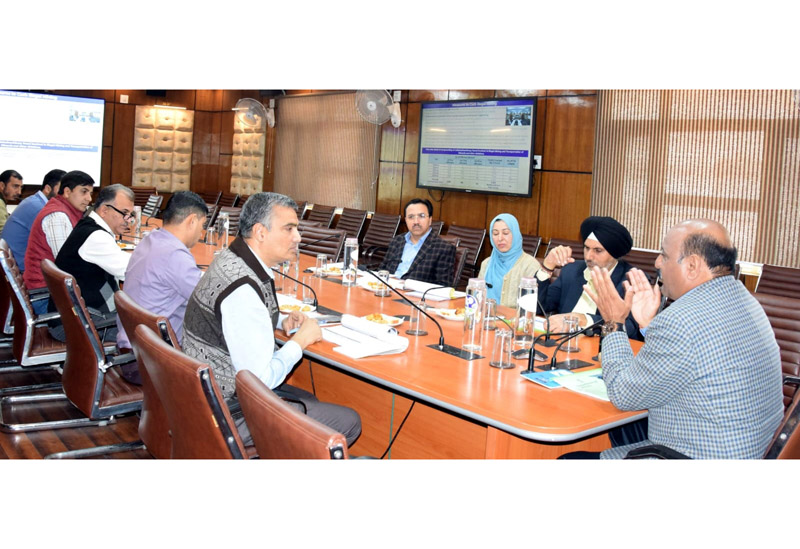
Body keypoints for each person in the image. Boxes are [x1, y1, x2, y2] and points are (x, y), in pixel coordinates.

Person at [575, 219, 784, 459]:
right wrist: (648, 325)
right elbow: (689, 358)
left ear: (692, 266)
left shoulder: (681, 319)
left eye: (664, 255)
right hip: (750, 450)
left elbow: (623, 394)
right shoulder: (746, 301)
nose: (657, 263)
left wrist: (614, 323)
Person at [182, 192, 361, 447]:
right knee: (348, 421)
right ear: (260, 232)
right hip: (228, 412)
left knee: (309, 399)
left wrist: (279, 321)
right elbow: (261, 380)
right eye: (289, 229)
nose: (298, 237)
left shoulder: (234, 258)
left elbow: (236, 315)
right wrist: (300, 342)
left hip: (205, 396)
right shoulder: (242, 289)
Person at [115, 191, 208, 384]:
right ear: (191, 221)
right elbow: (209, 301)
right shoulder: (175, 255)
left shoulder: (151, 240)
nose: (201, 233)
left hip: (132, 351)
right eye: (202, 226)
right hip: (153, 362)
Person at [48, 184, 134, 342]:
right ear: (104, 210)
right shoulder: (96, 237)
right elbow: (129, 271)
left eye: (130, 215)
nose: (128, 220)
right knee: (147, 333)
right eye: (124, 213)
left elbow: (122, 262)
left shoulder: (90, 225)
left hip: (78, 315)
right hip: (77, 324)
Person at [536, 215, 640, 339]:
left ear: (614, 253)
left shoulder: (632, 280)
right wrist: (547, 267)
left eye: (598, 250)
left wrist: (583, 319)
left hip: (602, 346)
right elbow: (539, 308)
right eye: (586, 248)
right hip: (562, 342)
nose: (589, 256)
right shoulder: (571, 270)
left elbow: (632, 328)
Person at [24, 170, 95, 314]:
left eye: (90, 193)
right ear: (67, 192)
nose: (89, 198)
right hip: (45, 296)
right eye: (84, 192)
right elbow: (66, 265)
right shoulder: (58, 216)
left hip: (51, 290)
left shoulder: (68, 210)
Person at [379, 198, 455, 287]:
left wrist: (407, 285)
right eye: (411, 217)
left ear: (430, 220)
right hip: (386, 289)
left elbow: (443, 287)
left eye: (421, 216)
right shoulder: (397, 241)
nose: (416, 222)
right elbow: (381, 271)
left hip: (414, 294)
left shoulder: (444, 249)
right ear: (406, 220)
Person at [1, 169, 65, 272]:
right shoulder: (39, 207)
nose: (65, 194)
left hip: (18, 263)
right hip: (21, 268)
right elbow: (57, 248)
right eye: (61, 190)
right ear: (48, 189)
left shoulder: (35, 201)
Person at [478, 213, 541, 308]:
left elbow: (531, 306)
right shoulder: (486, 263)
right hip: (486, 314)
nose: (500, 238)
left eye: (506, 233)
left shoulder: (530, 265)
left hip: (514, 317)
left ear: (515, 234)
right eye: (495, 234)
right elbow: (477, 297)